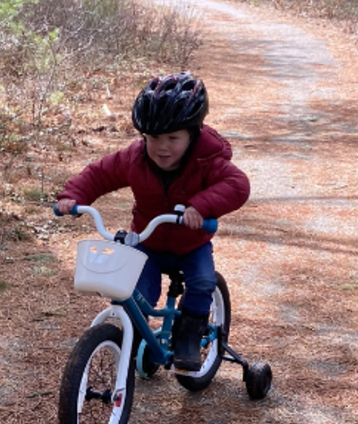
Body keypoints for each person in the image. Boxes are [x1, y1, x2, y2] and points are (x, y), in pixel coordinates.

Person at [56, 72, 250, 370]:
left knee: (201, 282)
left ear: (194, 134)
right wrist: (73, 196)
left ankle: (187, 337)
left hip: (191, 244)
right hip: (148, 243)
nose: (162, 147)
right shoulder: (135, 158)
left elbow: (237, 185)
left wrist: (200, 206)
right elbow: (100, 174)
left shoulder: (206, 161)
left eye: (173, 138)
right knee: (135, 295)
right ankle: (136, 341)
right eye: (154, 138)